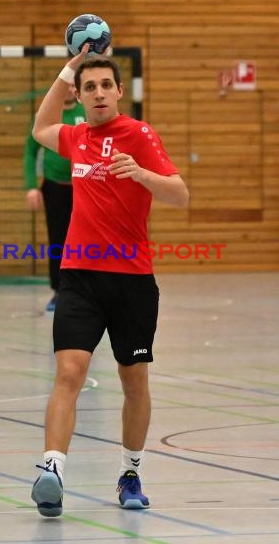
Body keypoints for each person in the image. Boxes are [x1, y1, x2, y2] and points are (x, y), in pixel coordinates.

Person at [30, 44, 189, 517]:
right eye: (89, 87)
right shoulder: (76, 136)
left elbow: (180, 195)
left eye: (105, 85)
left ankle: (131, 472)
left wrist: (140, 173)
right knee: (69, 372)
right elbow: (40, 126)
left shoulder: (139, 134)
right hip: (79, 277)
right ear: (79, 96)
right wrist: (70, 67)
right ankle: (52, 470)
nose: (98, 94)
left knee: (133, 379)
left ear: (120, 91)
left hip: (132, 281)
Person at [23, 83, 86, 312]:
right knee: (58, 239)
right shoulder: (48, 115)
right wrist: (31, 186)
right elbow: (30, 151)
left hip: (84, 187)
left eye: (73, 86)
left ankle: (86, 290)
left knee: (86, 239)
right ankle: (59, 291)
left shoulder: (86, 114)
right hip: (55, 187)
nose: (69, 90)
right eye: (65, 86)